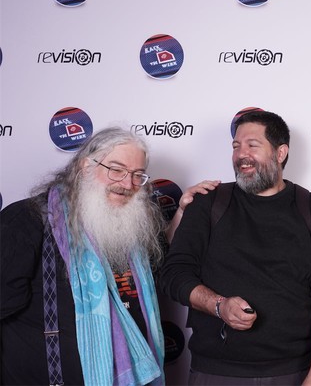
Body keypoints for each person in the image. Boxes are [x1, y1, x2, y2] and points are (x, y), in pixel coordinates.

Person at [0, 126, 213, 386]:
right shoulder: (27, 220)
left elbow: (161, 262)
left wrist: (181, 213)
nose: (127, 184)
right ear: (85, 167)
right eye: (116, 169)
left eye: (137, 175)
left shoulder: (131, 224)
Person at [161, 110, 311, 386]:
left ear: (280, 153)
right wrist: (218, 305)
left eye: (252, 145)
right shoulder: (208, 202)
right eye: (236, 146)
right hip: (216, 372)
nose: (241, 155)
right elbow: (174, 275)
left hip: (295, 372)